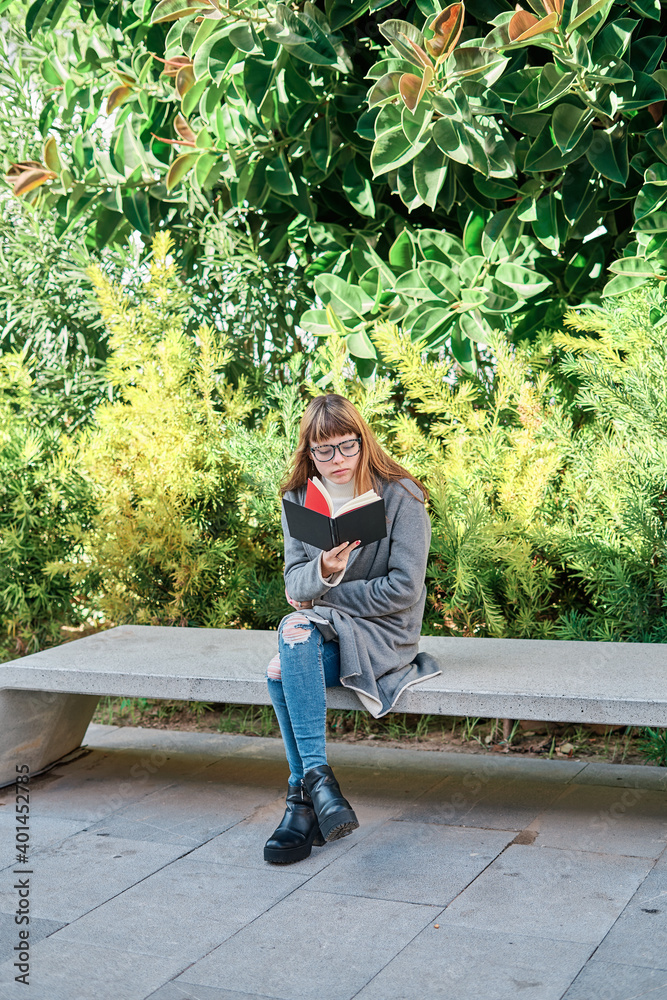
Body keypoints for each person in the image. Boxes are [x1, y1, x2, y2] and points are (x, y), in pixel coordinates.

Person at [263, 393, 441, 864]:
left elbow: (404, 589)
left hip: (382, 633)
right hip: (323, 625)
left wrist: (324, 590)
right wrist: (321, 567)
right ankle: (318, 787)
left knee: (286, 653)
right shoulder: (298, 499)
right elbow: (292, 579)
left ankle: (300, 803)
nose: (337, 460)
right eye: (324, 451)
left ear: (363, 442)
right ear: (309, 452)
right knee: (289, 649)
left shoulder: (402, 496)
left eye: (347, 446)